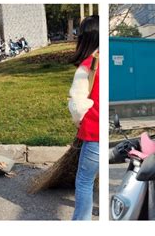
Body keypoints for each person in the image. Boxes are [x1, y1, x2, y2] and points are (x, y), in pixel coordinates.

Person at [68, 15, 99, 220]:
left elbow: (78, 105)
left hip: (93, 132)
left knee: (84, 181)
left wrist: (79, 121)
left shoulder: (88, 66)